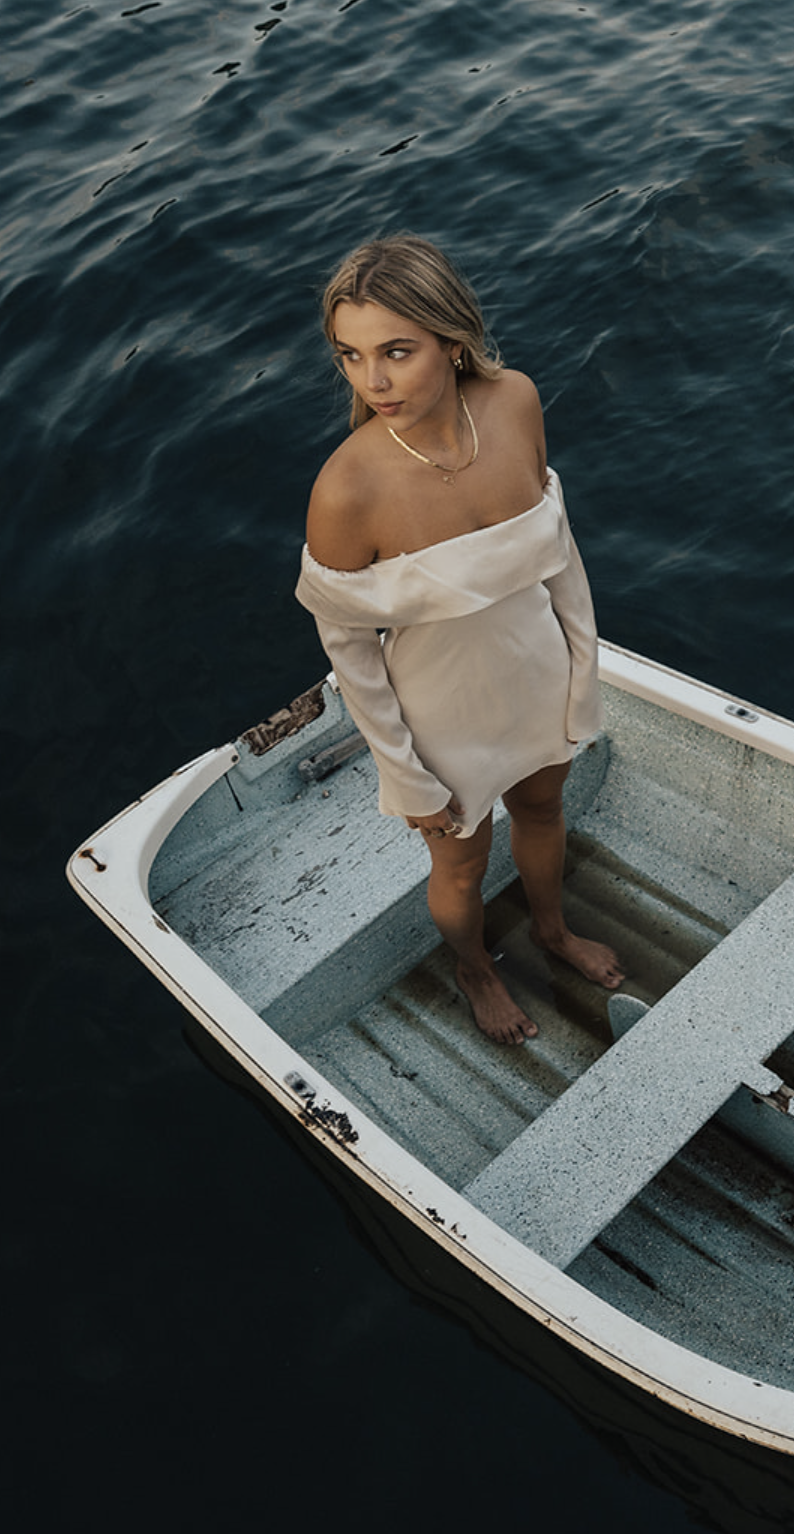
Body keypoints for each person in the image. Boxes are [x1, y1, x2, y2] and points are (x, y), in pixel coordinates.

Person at [294, 235, 624, 1045]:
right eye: (350, 356)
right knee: (461, 862)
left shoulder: (514, 400)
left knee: (544, 813)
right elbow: (349, 649)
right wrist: (402, 773)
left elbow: (560, 551)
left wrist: (583, 671)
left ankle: (551, 931)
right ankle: (475, 970)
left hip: (537, 671)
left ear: (451, 337)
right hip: (443, 715)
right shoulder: (347, 488)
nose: (372, 381)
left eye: (396, 353)